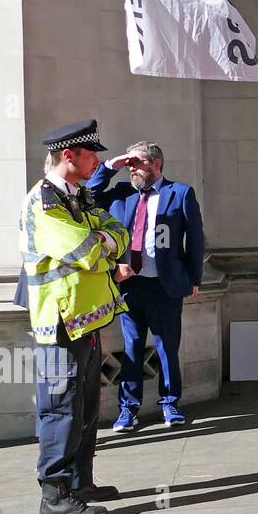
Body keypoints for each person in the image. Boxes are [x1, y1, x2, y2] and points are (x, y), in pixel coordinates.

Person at [20, 120, 130, 514]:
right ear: (69, 156)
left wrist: (107, 243)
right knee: (59, 410)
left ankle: (80, 480)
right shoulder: (44, 203)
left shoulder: (77, 196)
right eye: (90, 154)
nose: (97, 161)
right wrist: (106, 248)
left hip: (85, 321)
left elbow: (118, 231)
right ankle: (54, 496)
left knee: (84, 408)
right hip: (58, 324)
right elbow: (85, 251)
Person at [88, 141, 205, 430]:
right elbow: (87, 195)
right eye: (128, 165)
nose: (131, 168)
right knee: (132, 349)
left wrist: (194, 279)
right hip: (130, 286)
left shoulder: (179, 193)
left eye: (136, 163)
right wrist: (108, 167)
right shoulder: (121, 194)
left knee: (167, 348)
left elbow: (196, 239)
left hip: (165, 287)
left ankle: (170, 404)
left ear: (156, 164)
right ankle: (128, 409)